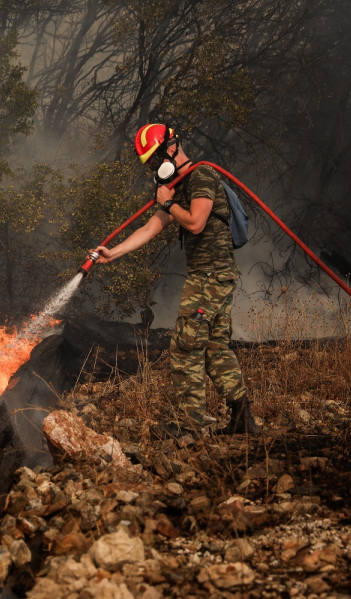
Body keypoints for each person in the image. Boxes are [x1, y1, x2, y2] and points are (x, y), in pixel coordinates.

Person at [91, 123, 258, 436]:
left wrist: (168, 202)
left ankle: (188, 424)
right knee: (213, 347)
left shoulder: (202, 175)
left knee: (184, 345)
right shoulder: (181, 186)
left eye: (154, 161)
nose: (153, 169)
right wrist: (113, 253)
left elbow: (195, 223)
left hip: (210, 276)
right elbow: (150, 228)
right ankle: (242, 419)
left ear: (170, 149)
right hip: (213, 276)